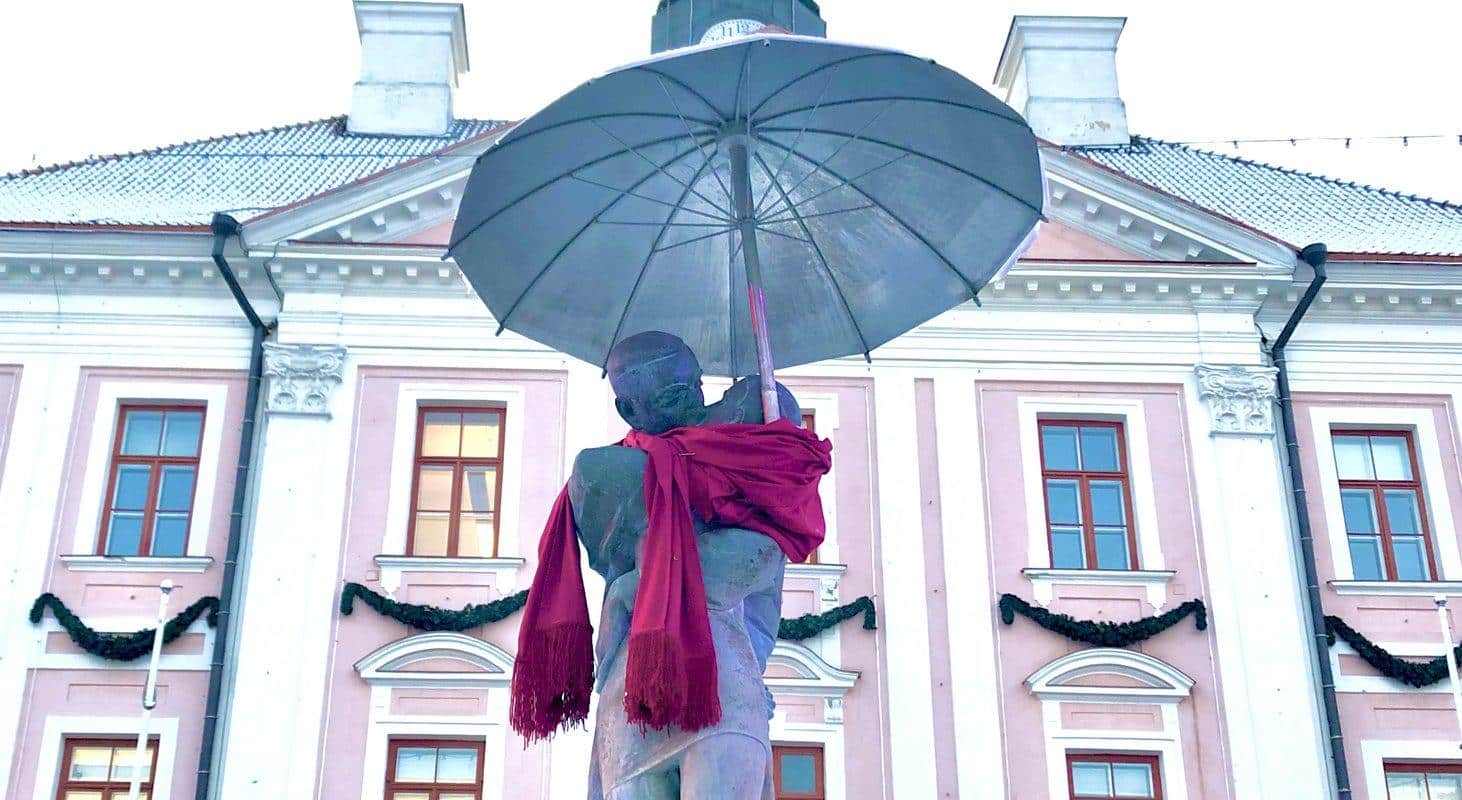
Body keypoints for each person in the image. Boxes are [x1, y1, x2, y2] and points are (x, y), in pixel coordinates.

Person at [560, 331, 814, 799]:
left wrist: (628, 590)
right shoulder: (606, 472)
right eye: (677, 395)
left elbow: (757, 558)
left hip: (697, 683)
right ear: (629, 411)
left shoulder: (741, 443)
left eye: (696, 384)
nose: (698, 402)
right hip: (658, 688)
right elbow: (747, 559)